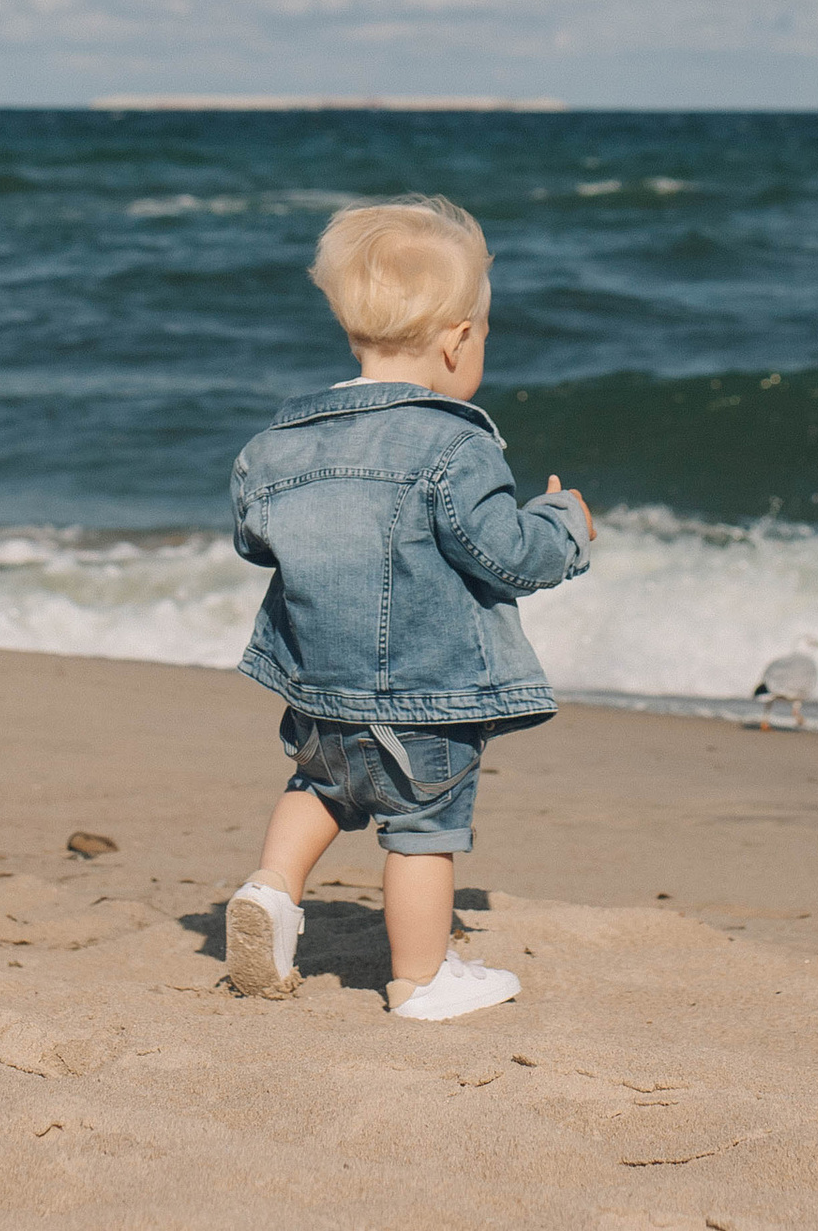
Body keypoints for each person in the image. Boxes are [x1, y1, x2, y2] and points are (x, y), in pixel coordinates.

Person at [222, 194, 594, 1021]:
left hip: (318, 689)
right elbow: (505, 557)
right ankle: (421, 980)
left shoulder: (276, 443)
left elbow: (255, 541)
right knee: (424, 827)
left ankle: (271, 892)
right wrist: (563, 524)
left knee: (319, 788)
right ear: (459, 339)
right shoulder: (455, 446)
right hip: (424, 698)